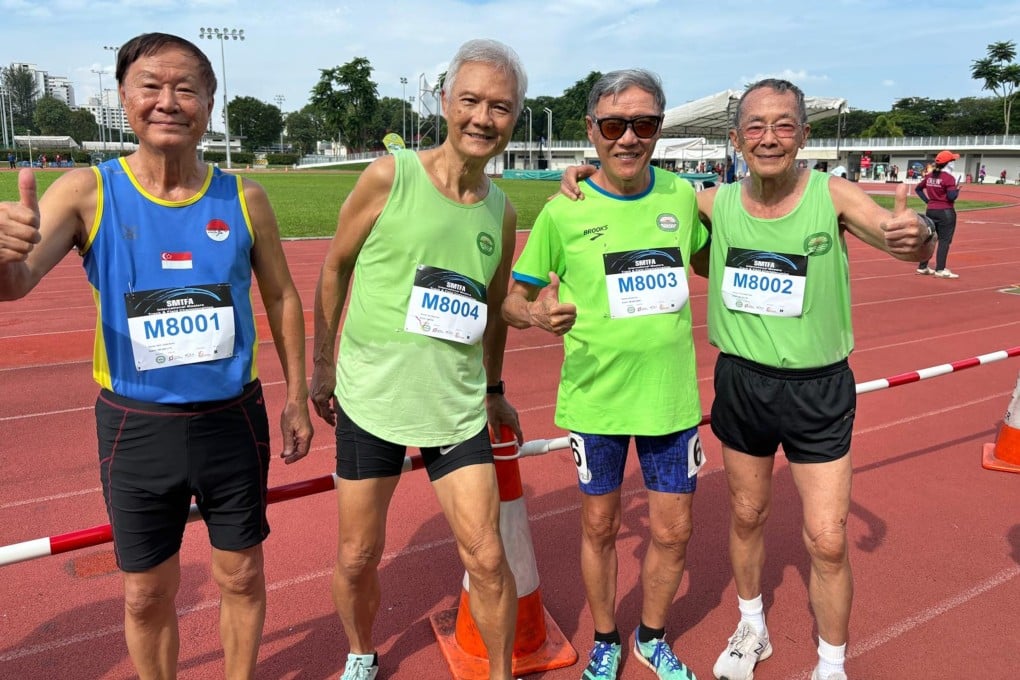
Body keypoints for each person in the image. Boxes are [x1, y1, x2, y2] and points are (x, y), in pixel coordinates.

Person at [560, 78, 937, 680]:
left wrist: (920, 236)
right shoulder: (710, 201)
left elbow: (900, 238)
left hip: (818, 389)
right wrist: (588, 169)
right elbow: (633, 185)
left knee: (828, 538)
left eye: (784, 125)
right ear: (735, 139)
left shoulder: (833, 195)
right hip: (742, 383)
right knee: (746, 516)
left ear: (804, 136)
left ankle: (831, 664)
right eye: (756, 127)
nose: (769, 138)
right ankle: (751, 625)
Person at [0, 33, 313, 680]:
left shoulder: (245, 198)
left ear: (209, 103)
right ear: (124, 98)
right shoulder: (88, 191)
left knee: (243, 576)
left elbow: (283, 297)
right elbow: (16, 284)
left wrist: (298, 398)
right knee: (145, 594)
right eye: (151, 86)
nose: (168, 101)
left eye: (186, 88)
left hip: (234, 422)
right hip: (138, 429)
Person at [309, 38, 526, 680]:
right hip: (371, 402)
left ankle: (501, 674)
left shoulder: (501, 210)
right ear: (444, 102)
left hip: (455, 409)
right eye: (471, 101)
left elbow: (490, 308)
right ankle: (360, 651)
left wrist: (492, 388)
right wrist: (323, 366)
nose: (483, 118)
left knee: (487, 558)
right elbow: (335, 266)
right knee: (357, 555)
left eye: (501, 107)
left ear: (515, 116)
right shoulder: (391, 175)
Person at [504, 68, 708, 680]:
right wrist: (536, 314)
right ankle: (604, 638)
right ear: (592, 130)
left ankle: (651, 636)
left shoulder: (680, 196)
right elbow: (514, 300)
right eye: (614, 124)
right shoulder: (563, 211)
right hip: (596, 401)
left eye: (642, 124)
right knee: (600, 525)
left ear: (659, 129)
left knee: (672, 531)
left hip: (670, 400)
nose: (628, 137)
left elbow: (714, 259)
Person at [914, 150, 961, 279]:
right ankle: (940, 269)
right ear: (948, 163)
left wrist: (928, 201)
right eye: (953, 161)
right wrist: (957, 189)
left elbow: (918, 189)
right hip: (946, 212)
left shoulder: (929, 176)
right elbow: (951, 197)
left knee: (929, 239)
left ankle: (923, 266)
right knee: (944, 241)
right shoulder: (949, 178)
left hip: (931, 211)